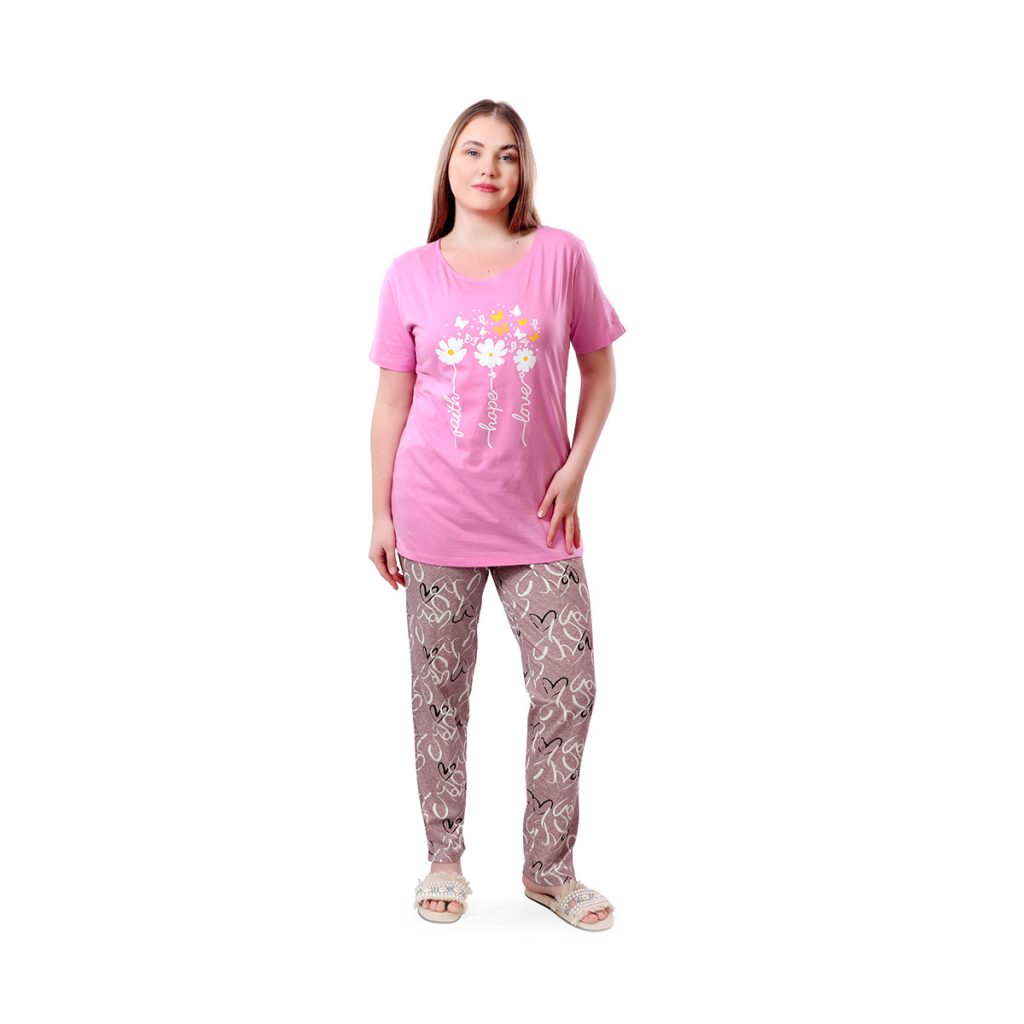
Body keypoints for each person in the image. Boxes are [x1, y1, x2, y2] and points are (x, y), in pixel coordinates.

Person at [367, 99, 626, 930]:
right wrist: (379, 513)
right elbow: (392, 401)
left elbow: (601, 372)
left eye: (507, 154)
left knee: (568, 685)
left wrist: (576, 470)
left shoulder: (561, 256)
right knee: (439, 691)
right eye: (474, 151)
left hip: (539, 521)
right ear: (449, 164)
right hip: (433, 512)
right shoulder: (410, 272)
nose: (489, 167)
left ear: (523, 170)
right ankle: (443, 859)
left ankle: (550, 870)